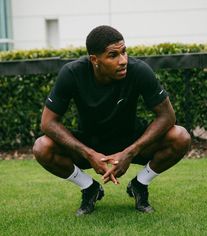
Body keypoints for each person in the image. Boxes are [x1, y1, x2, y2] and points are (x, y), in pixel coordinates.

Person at [33, 25, 191, 216]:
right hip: (89, 142)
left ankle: (139, 185)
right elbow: (48, 122)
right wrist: (89, 153)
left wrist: (130, 152)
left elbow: (167, 116)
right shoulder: (72, 73)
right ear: (94, 60)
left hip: (130, 140)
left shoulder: (139, 70)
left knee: (180, 136)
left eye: (124, 51)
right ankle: (90, 188)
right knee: (42, 147)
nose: (123, 60)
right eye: (113, 55)